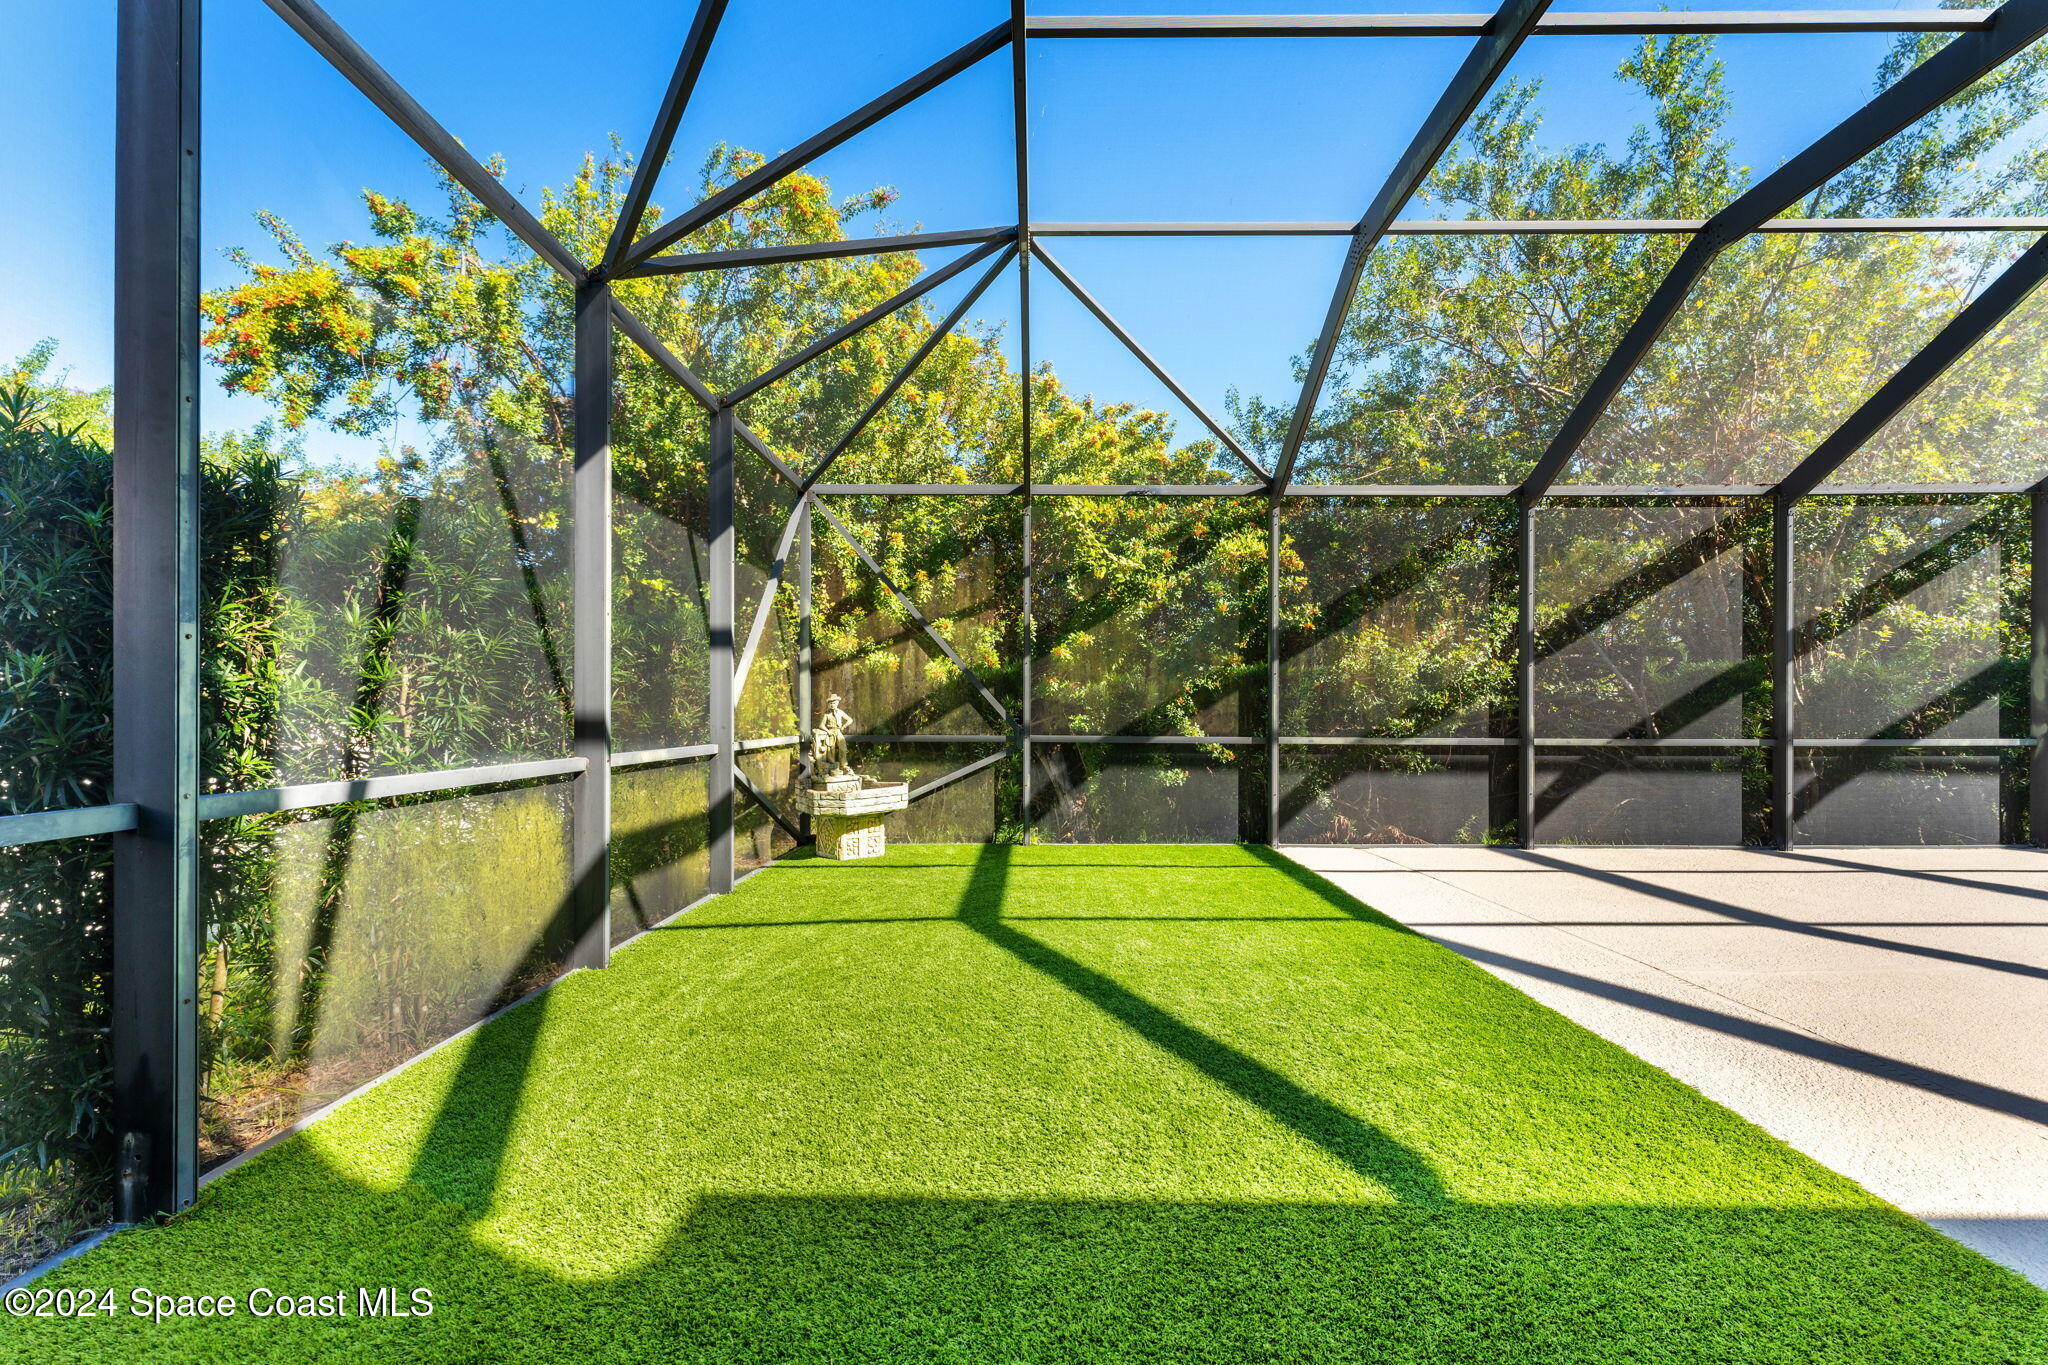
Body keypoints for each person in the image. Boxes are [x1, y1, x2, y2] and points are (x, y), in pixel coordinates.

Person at [812, 694, 857, 778]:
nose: (832, 705)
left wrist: (844, 726)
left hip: (838, 732)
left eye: (834, 703)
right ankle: (833, 767)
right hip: (831, 732)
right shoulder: (827, 714)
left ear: (837, 703)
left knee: (843, 748)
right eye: (831, 703)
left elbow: (850, 720)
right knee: (831, 750)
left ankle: (844, 766)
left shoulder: (840, 712)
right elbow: (821, 725)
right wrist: (828, 731)